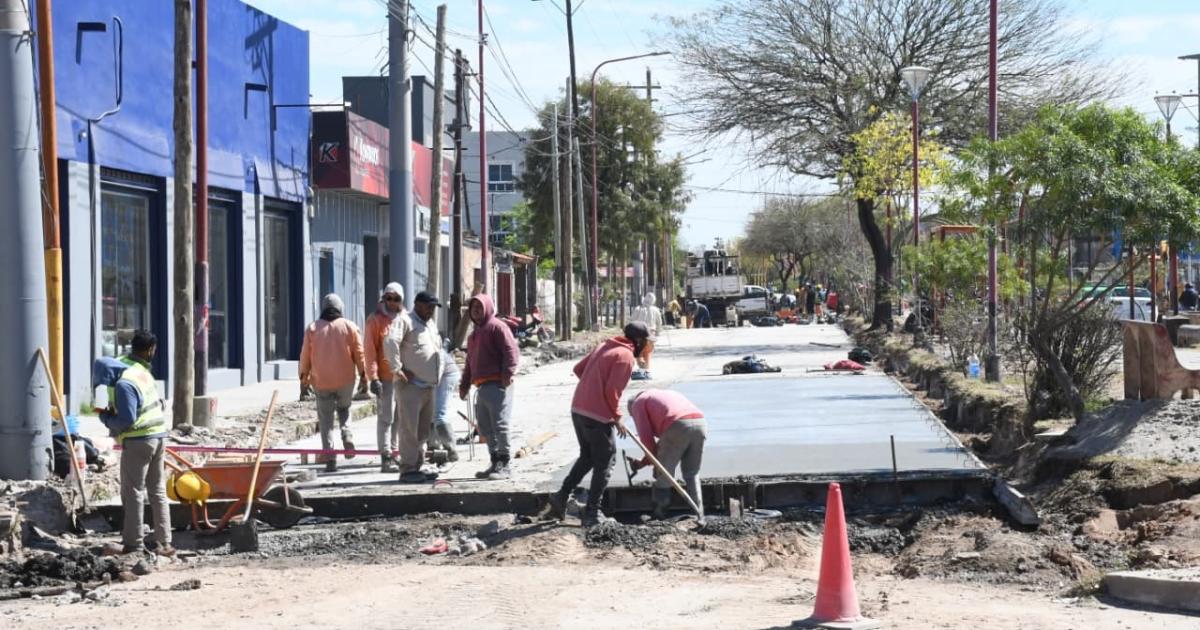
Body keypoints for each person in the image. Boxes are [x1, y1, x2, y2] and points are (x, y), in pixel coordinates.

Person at [543, 322, 650, 527]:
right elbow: (612, 391)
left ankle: (561, 497)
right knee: (605, 461)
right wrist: (617, 417)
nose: (646, 346)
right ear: (638, 341)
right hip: (596, 416)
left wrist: (592, 387)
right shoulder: (625, 356)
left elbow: (578, 369)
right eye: (645, 342)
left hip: (578, 409)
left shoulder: (604, 345)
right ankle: (592, 512)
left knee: (588, 457)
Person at [94, 330, 174, 557]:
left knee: (133, 492)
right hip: (159, 436)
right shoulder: (141, 372)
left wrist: (105, 418)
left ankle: (134, 544)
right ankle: (165, 544)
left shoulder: (124, 383)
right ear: (151, 350)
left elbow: (127, 419)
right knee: (157, 491)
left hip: (140, 441)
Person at [300, 293, 367, 473]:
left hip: (321, 381)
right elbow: (359, 354)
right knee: (344, 409)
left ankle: (330, 458)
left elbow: (305, 355)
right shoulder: (350, 327)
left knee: (326, 420)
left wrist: (303, 378)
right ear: (340, 308)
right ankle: (347, 434)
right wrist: (364, 376)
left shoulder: (313, 328)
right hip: (345, 380)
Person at [384, 291, 445, 483]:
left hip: (428, 386)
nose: (431, 310)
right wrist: (397, 368)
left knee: (422, 430)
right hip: (410, 386)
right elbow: (390, 341)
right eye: (428, 306)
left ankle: (418, 464)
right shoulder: (405, 320)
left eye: (433, 307)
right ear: (417, 304)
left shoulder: (430, 324)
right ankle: (408, 469)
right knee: (409, 429)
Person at [459, 294, 520, 480]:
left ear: (487, 308)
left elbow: (511, 351)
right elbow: (469, 362)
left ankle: (505, 464)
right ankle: (495, 461)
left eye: (480, 307)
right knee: (485, 427)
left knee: (500, 425)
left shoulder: (497, 327)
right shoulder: (474, 335)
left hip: (497, 384)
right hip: (482, 387)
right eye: (473, 308)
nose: (476, 311)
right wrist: (464, 384)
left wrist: (507, 375)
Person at [626, 389, 708, 520]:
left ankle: (660, 515)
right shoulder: (661, 395)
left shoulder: (638, 404)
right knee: (692, 473)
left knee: (664, 474)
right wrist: (643, 462)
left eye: (633, 416)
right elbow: (662, 443)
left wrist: (656, 465)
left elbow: (647, 441)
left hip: (677, 424)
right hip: (700, 423)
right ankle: (699, 514)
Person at [365, 282, 404, 473]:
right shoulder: (375, 320)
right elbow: (370, 351)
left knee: (400, 417)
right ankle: (386, 456)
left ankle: (395, 452)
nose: (392, 302)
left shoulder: (405, 319)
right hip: (385, 378)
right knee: (385, 417)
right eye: (388, 298)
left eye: (396, 299)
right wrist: (373, 377)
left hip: (403, 377)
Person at [428, 341, 460, 462]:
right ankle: (433, 448)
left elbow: (439, 366)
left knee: (439, 414)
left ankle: (451, 450)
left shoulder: (429, 347)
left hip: (446, 374)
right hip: (434, 374)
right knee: (430, 413)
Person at [629, 293, 663, 379]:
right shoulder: (656, 310)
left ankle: (642, 370)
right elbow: (659, 323)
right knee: (648, 353)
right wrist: (658, 332)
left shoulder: (638, 309)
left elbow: (632, 321)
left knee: (639, 352)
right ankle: (646, 371)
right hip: (651, 334)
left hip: (639, 334)